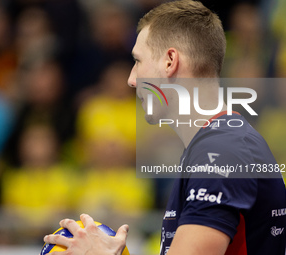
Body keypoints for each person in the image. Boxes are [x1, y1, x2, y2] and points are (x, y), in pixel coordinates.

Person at [43, 1, 286, 255]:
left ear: (170, 61)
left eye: (137, 61)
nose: (131, 79)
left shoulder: (220, 151)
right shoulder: (220, 143)